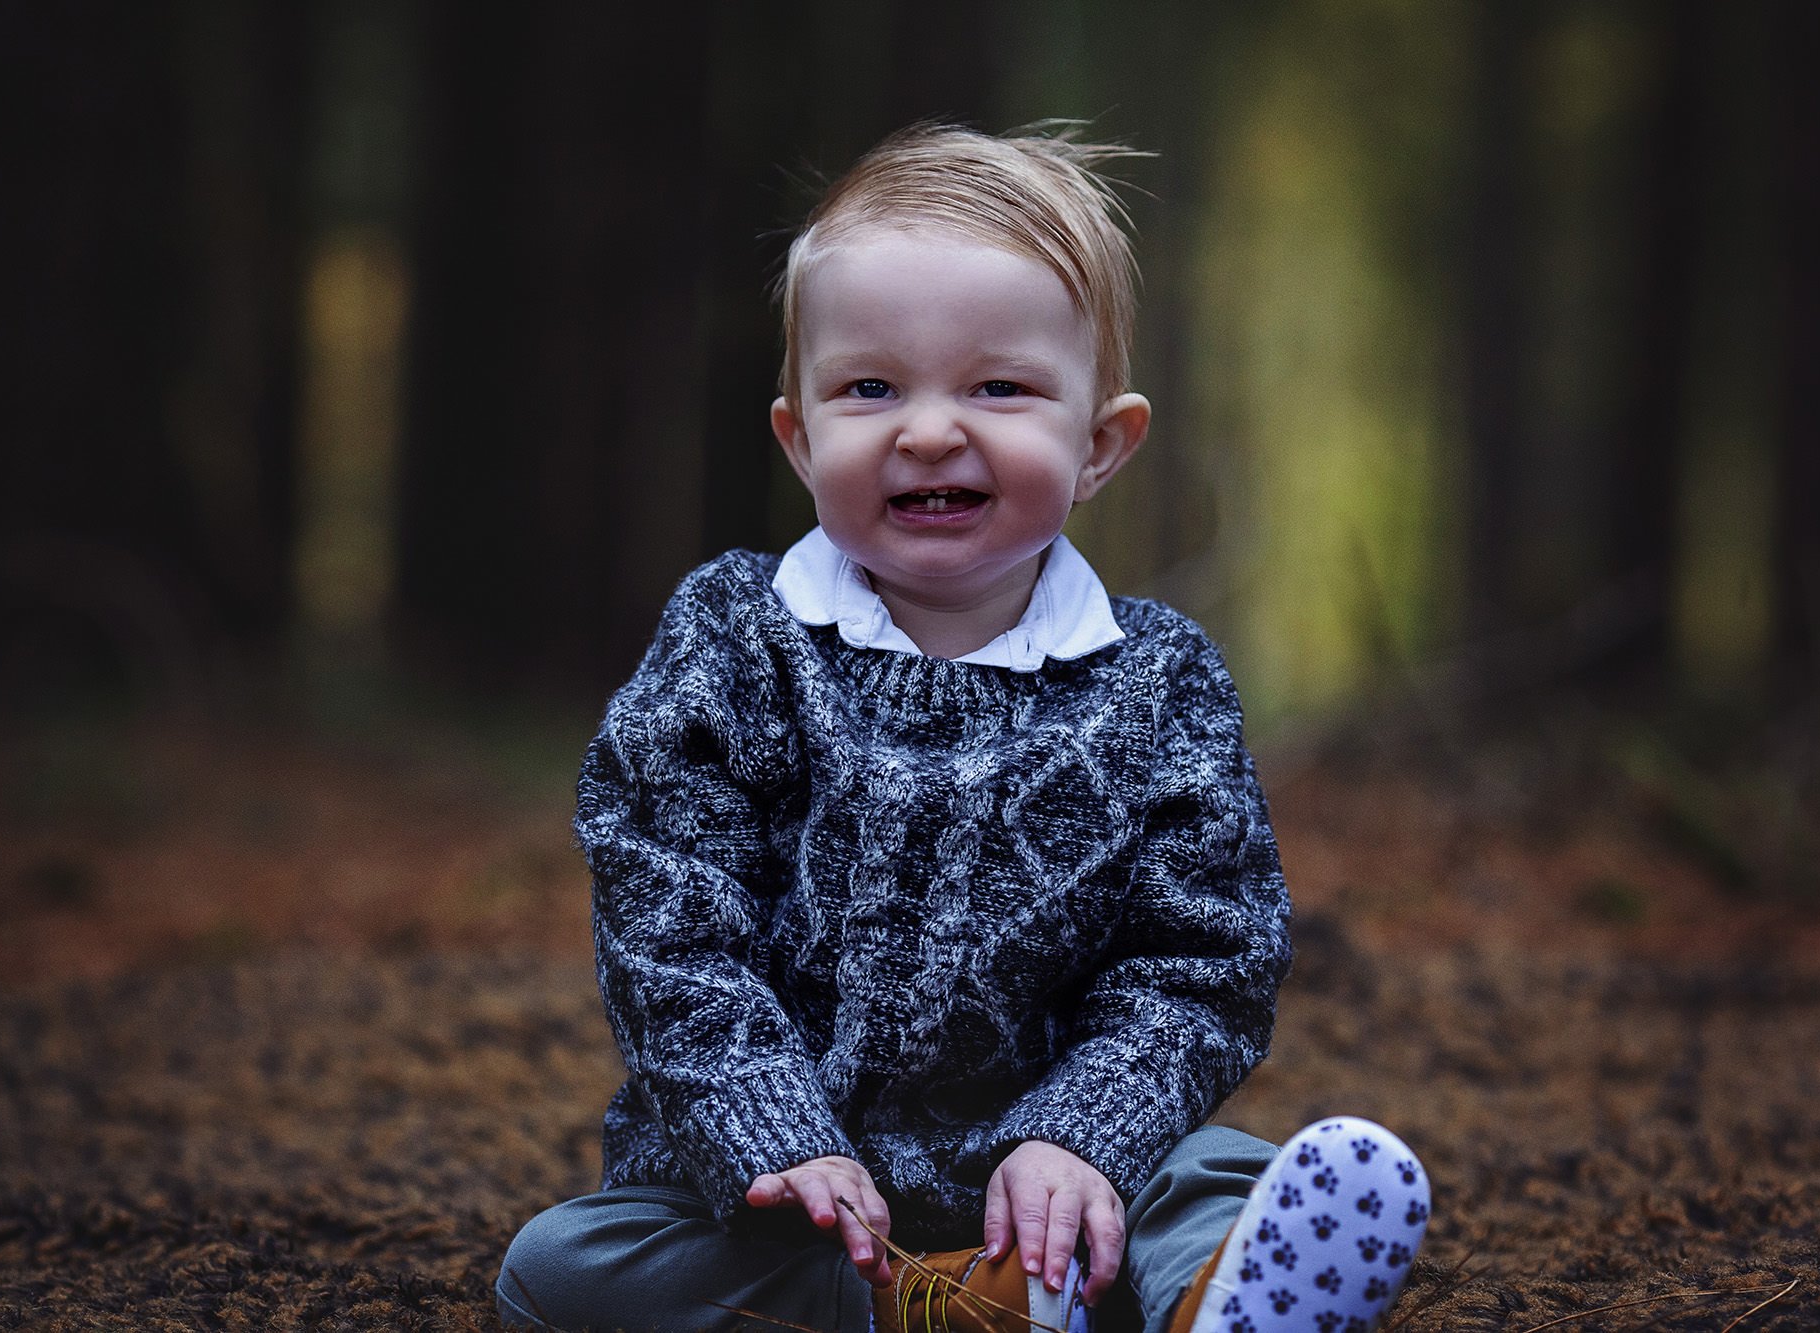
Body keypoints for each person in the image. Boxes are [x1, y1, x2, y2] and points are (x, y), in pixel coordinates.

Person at [497, 122, 1429, 1333]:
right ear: (798, 436)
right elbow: (664, 915)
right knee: (559, 1269)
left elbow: (1199, 966)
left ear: (1099, 444)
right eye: (869, 388)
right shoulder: (735, 638)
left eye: (997, 387)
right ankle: (928, 1312)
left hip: (1054, 1191)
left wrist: (1080, 1137)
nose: (929, 430)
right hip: (790, 1202)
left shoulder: (1158, 682)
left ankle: (1198, 1299)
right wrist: (772, 1132)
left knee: (1216, 1177)